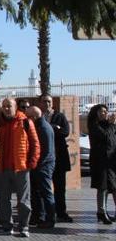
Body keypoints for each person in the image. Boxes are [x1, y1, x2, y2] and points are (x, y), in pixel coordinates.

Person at [0, 97, 40, 238]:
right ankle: (7, 226)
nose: (7, 109)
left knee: (23, 200)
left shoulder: (26, 122)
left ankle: (24, 226)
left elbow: (35, 144)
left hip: (21, 167)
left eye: (10, 106)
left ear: (15, 107)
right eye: (5, 106)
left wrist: (31, 163)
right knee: (4, 199)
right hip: (2, 168)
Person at [39, 94, 73, 222]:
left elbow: (65, 132)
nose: (47, 104)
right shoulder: (38, 117)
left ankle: (61, 212)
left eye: (49, 101)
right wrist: (55, 128)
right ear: (40, 103)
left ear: (52, 103)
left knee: (60, 188)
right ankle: (44, 214)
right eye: (44, 101)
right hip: (44, 159)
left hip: (59, 158)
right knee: (43, 188)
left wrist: (51, 128)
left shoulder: (59, 116)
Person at [25, 106, 56, 229]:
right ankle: (39, 216)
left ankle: (50, 218)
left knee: (46, 192)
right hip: (41, 165)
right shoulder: (41, 126)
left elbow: (46, 152)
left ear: (34, 117)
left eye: (28, 117)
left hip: (43, 166)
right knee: (37, 193)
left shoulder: (43, 128)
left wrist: (35, 165)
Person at [87, 104, 116, 224]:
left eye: (106, 111)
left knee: (111, 186)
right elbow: (105, 137)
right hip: (100, 161)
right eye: (101, 111)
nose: (105, 113)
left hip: (110, 161)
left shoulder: (107, 125)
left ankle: (103, 212)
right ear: (96, 113)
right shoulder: (94, 126)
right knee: (102, 186)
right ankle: (101, 212)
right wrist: (112, 125)